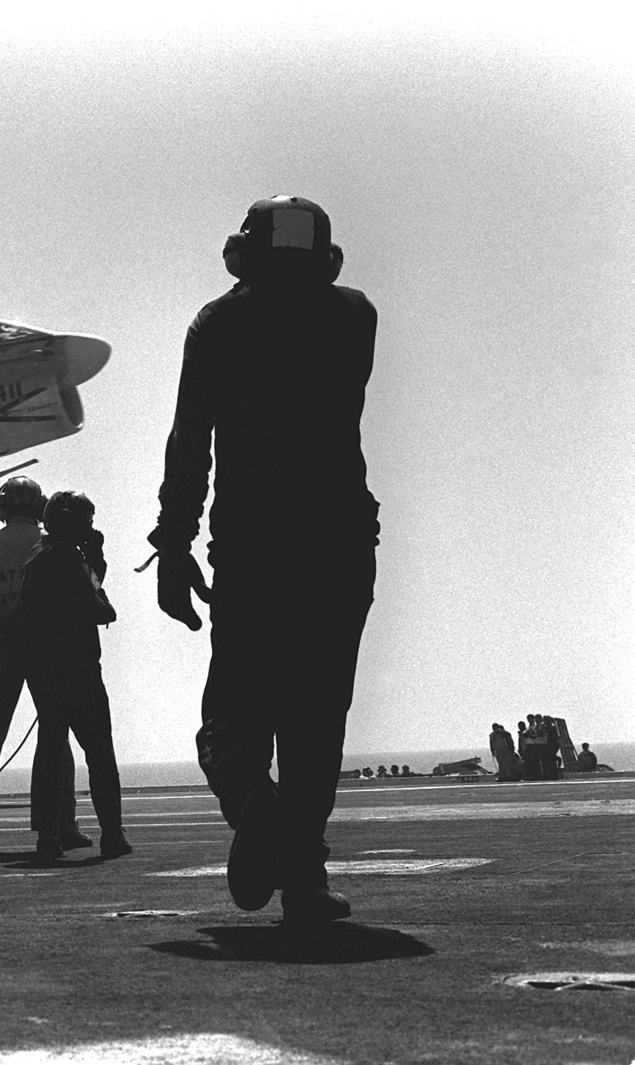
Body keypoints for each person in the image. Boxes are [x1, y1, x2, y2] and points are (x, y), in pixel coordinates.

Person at [148, 195, 378, 925]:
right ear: (326, 258)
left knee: (230, 723)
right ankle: (305, 879)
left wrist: (172, 544)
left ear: (242, 254)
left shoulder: (221, 324)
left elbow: (192, 443)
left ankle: (255, 804)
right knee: (317, 718)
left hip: (255, 548)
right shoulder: (355, 318)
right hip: (340, 547)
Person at [0, 476, 87, 858]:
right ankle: (61, 825)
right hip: (46, 646)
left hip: (0, 647)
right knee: (54, 735)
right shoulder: (49, 543)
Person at [19, 490, 131, 863]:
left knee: (50, 751)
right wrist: (104, 596)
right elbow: (99, 607)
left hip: (44, 671)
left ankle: (47, 838)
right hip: (79, 670)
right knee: (99, 752)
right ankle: (112, 834)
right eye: (86, 522)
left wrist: (94, 559)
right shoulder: (67, 558)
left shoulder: (37, 558)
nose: (89, 529)